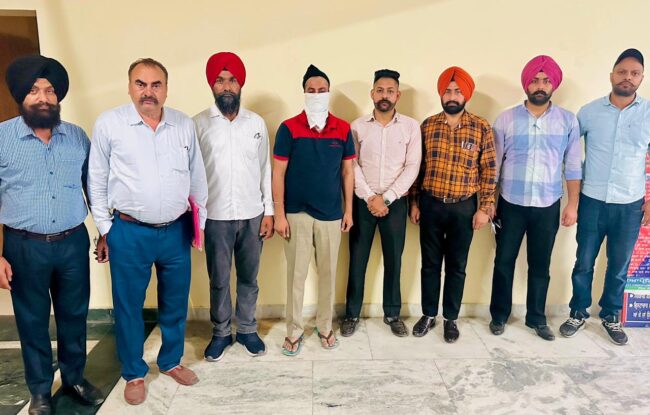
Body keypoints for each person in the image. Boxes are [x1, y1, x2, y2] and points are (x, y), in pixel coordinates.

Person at [88, 58, 208, 404]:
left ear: (166, 89)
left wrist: (198, 226)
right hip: (129, 231)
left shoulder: (183, 125)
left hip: (175, 231)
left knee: (175, 300)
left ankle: (170, 360)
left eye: (156, 85)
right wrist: (106, 228)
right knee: (129, 305)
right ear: (129, 87)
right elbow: (96, 179)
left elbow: (197, 177)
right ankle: (134, 372)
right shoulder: (110, 124)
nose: (148, 92)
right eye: (140, 84)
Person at [0, 54, 104, 415]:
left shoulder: (76, 137)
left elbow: (94, 189)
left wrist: (104, 232)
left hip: (72, 242)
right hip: (23, 246)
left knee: (74, 315)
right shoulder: (2, 138)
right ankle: (40, 391)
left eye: (49, 90)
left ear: (58, 96)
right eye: (34, 90)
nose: (43, 97)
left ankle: (74, 378)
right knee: (31, 320)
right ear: (21, 96)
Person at [559, 48, 650, 345]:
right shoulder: (589, 113)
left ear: (641, 78)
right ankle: (578, 312)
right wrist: (572, 200)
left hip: (630, 205)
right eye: (622, 72)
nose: (627, 78)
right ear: (612, 75)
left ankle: (611, 315)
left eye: (634, 73)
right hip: (593, 201)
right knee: (584, 262)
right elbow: (570, 155)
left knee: (619, 266)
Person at [489, 55, 582, 341]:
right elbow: (494, 166)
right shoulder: (506, 119)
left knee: (540, 265)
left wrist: (573, 204)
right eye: (535, 80)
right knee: (503, 261)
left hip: (547, 205)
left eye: (546, 81)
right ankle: (499, 315)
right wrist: (489, 201)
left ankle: (537, 318)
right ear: (526, 84)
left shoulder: (568, 121)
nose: (540, 86)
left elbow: (573, 166)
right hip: (510, 203)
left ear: (553, 85)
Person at [194, 52, 273, 361]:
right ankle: (221, 332)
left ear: (241, 85)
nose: (226, 86)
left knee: (249, 278)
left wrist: (269, 211)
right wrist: (196, 219)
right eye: (220, 80)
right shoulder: (198, 124)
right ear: (211, 85)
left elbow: (265, 169)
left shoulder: (256, 123)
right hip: (215, 217)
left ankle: (248, 329)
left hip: (253, 214)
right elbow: (193, 174)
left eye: (232, 80)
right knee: (219, 280)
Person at [409, 66, 497, 343]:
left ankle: (450, 318)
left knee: (457, 266)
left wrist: (484, 208)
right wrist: (414, 202)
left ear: (466, 94)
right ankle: (428, 315)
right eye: (447, 90)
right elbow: (418, 168)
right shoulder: (427, 126)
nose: (452, 95)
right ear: (441, 93)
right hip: (431, 205)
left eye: (458, 91)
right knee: (430, 265)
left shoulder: (481, 127)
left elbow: (489, 170)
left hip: (464, 207)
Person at [272, 64, 355, 355]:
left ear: (328, 93)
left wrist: (348, 211)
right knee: (296, 276)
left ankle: (325, 326)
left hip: (331, 214)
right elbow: (278, 172)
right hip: (296, 214)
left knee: (328, 275)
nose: (317, 94)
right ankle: (294, 331)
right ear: (304, 93)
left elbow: (348, 172)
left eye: (322, 90)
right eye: (311, 90)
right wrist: (279, 214)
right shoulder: (289, 128)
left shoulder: (343, 129)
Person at [341, 69, 421, 338]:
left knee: (394, 260)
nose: (384, 95)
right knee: (357, 260)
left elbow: (412, 167)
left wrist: (386, 198)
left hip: (395, 203)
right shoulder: (357, 126)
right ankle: (352, 313)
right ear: (372, 94)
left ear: (397, 95)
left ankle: (392, 314)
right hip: (363, 201)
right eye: (380, 90)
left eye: (390, 91)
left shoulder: (410, 127)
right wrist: (369, 197)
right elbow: (352, 165)